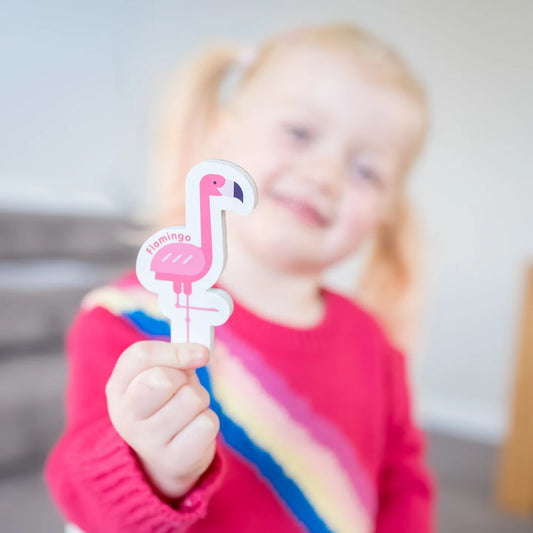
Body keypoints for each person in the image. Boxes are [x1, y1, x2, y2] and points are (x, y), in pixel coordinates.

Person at [45, 23, 434, 533]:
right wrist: (152, 469)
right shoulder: (127, 322)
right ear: (222, 135)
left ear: (386, 211)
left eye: (366, 171)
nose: (325, 174)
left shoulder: (374, 344)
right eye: (299, 133)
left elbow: (402, 484)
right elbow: (82, 494)